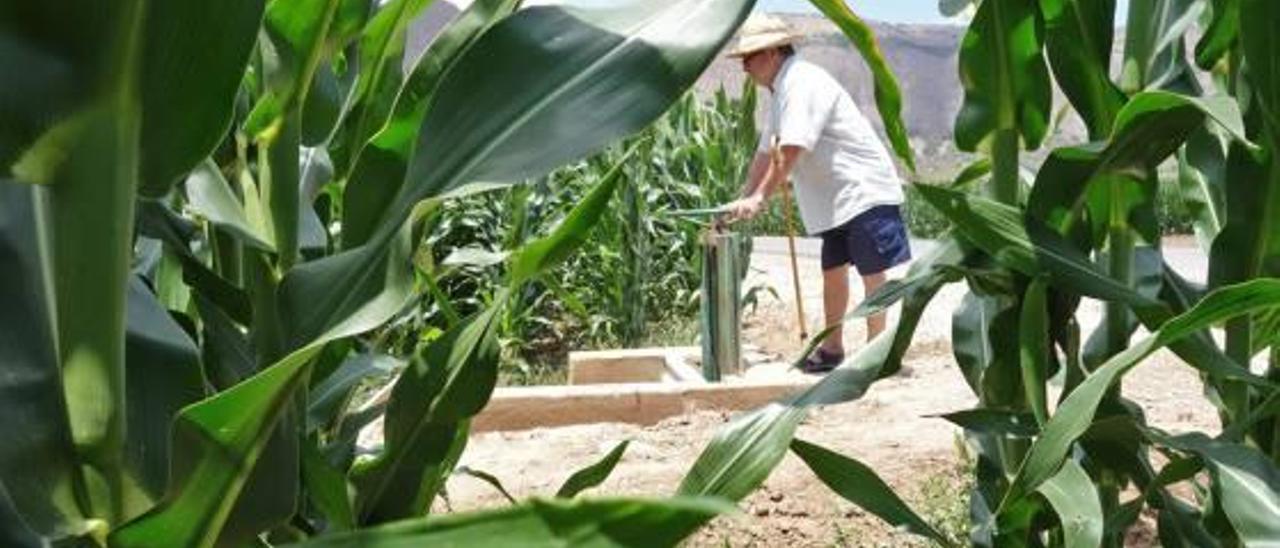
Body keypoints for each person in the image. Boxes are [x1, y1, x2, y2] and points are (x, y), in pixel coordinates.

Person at [721, 14, 911, 373]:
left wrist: (761, 197)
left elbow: (792, 148)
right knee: (832, 270)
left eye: (750, 57)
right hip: (835, 199)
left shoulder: (801, 82)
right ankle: (833, 348)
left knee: (872, 271)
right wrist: (745, 197)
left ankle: (878, 354)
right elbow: (765, 154)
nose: (745, 67)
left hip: (861, 188)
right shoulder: (780, 92)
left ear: (774, 52)